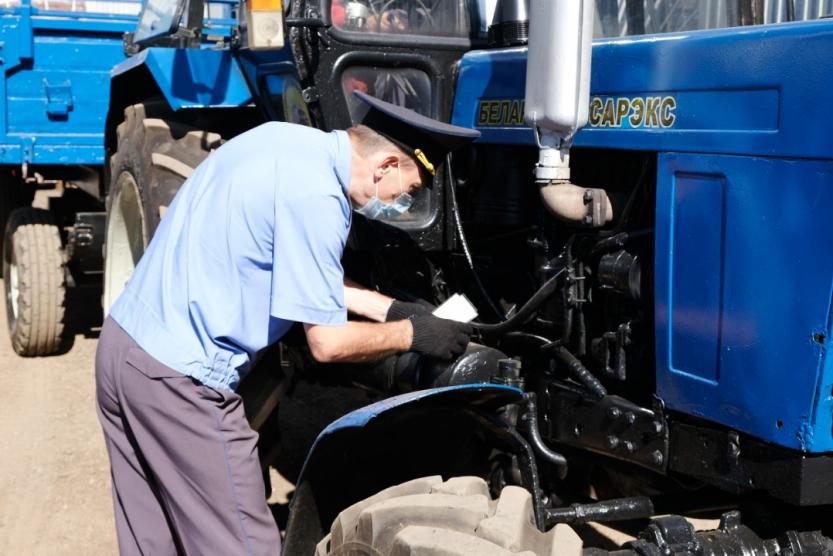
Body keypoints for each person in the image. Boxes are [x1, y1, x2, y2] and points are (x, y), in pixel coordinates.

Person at [95, 91, 480, 555]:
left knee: (153, 541)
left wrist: (391, 309)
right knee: (243, 544)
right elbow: (328, 344)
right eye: (410, 190)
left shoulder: (280, 141)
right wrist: (415, 335)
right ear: (386, 166)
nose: (401, 202)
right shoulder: (320, 199)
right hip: (181, 384)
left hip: (124, 350)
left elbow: (293, 267)